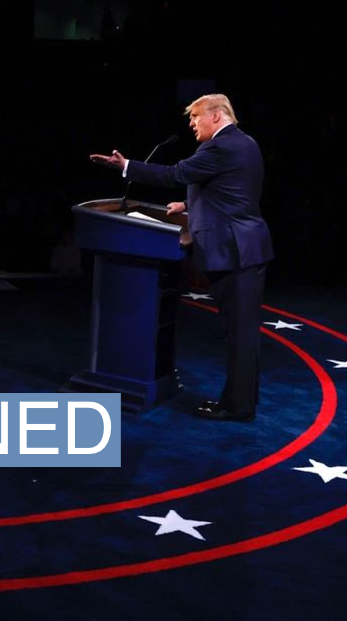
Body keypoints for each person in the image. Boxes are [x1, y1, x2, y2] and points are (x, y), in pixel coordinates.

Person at [90, 94, 273, 421]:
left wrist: (126, 166)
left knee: (240, 335)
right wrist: (188, 206)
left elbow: (175, 174)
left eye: (196, 116)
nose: (191, 123)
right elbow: (233, 191)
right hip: (245, 247)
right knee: (239, 333)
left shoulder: (219, 147)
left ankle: (237, 406)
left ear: (216, 115)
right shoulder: (245, 143)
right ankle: (239, 401)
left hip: (235, 251)